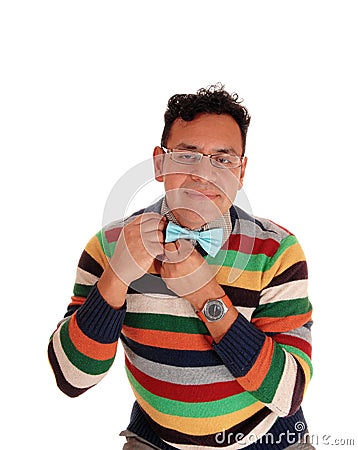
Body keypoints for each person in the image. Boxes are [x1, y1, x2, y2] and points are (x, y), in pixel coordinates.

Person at [48, 84, 314, 449]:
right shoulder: (108, 246)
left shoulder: (276, 250)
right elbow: (72, 378)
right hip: (155, 438)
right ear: (160, 163)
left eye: (223, 159)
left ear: (241, 171)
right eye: (187, 155)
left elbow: (288, 393)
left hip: (267, 439)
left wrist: (207, 296)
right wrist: (118, 276)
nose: (204, 174)